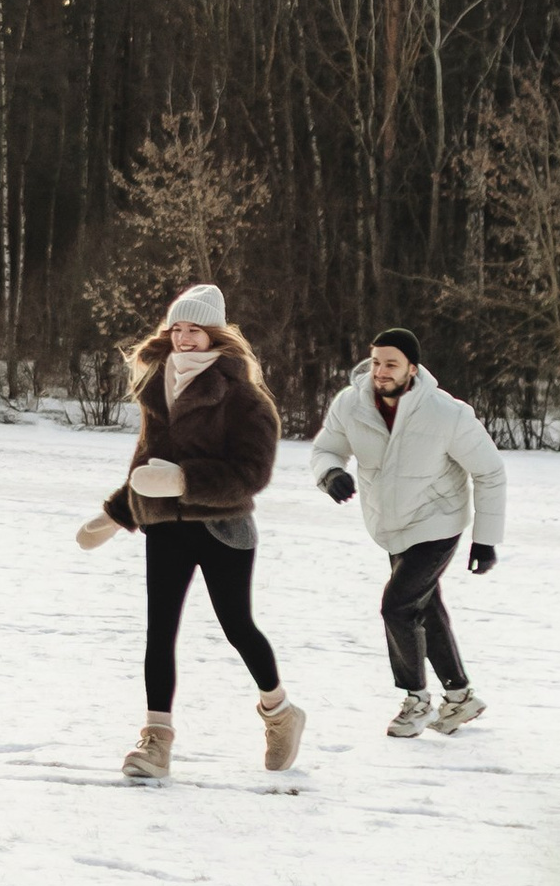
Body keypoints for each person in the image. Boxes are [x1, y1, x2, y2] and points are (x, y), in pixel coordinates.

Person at [75, 283, 304, 781]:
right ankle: (157, 741)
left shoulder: (244, 396)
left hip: (223, 528)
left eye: (193, 330)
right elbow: (146, 463)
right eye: (176, 328)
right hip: (165, 528)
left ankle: (280, 713)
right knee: (160, 632)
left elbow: (252, 475)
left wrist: (183, 481)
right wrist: (117, 514)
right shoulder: (157, 384)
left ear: (214, 334)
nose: (182, 338)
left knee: (236, 626)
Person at [311, 330, 504, 737]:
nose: (380, 372)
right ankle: (461, 697)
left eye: (391, 364)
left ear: (412, 369)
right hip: (390, 523)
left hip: (438, 521)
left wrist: (485, 539)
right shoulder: (352, 403)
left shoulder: (446, 413)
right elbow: (325, 448)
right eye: (376, 362)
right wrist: (330, 474)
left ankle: (417, 700)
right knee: (423, 608)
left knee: (397, 606)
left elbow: (489, 471)